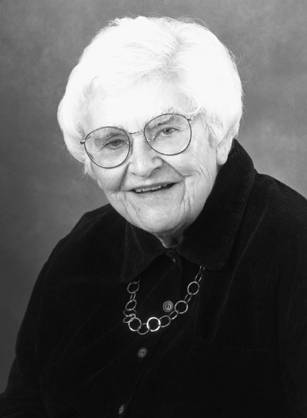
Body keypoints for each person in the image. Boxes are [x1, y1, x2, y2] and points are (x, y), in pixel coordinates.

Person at [0, 15, 306, 418]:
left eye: (165, 130)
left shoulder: (294, 247)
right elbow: (25, 403)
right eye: (112, 141)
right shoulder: (80, 251)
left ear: (220, 135)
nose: (142, 166)